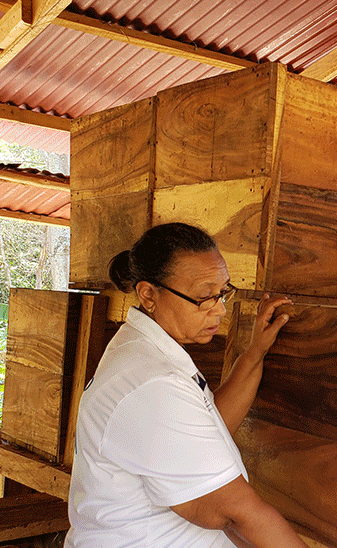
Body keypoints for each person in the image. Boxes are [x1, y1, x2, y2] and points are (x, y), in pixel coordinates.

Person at [65, 223, 309, 547]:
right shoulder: (153, 384)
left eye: (223, 291)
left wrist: (254, 355)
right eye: (204, 296)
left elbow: (211, 426)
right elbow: (236, 513)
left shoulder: (147, 349)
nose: (220, 309)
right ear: (149, 294)